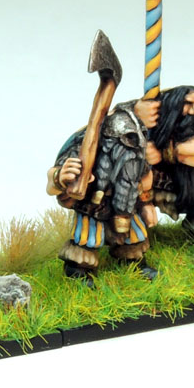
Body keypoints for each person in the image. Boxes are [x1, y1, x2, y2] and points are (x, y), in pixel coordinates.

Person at [48, 105, 159, 287]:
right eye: (128, 139)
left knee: (134, 236)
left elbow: (145, 179)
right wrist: (60, 177)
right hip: (92, 205)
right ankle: (78, 271)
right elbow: (52, 183)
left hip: (127, 204)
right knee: (87, 238)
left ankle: (134, 264)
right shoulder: (83, 148)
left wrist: (146, 202)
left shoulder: (135, 155)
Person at [139, 86, 194, 237]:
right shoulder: (161, 121)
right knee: (130, 207)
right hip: (156, 184)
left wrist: (163, 152)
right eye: (188, 104)